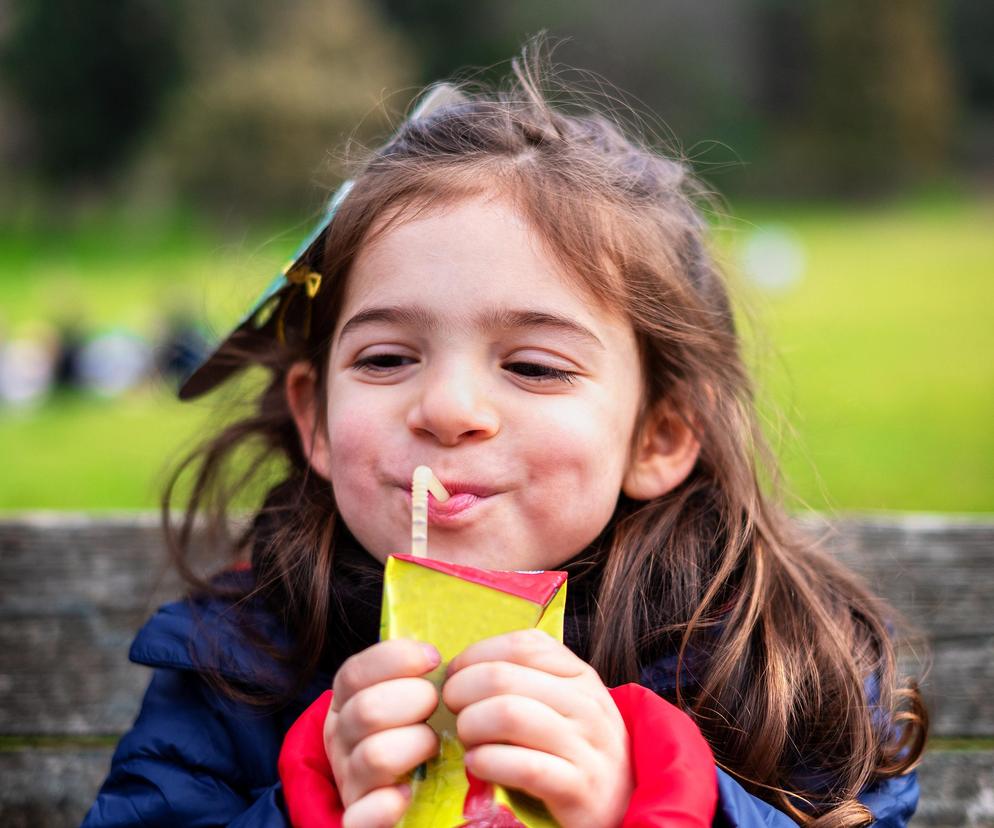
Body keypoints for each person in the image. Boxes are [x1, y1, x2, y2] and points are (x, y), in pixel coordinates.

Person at [81, 52, 927, 828]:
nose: (447, 409)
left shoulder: (765, 663)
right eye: (385, 357)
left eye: (533, 366)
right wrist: (309, 807)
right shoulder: (244, 664)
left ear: (660, 434)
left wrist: (656, 802)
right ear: (317, 420)